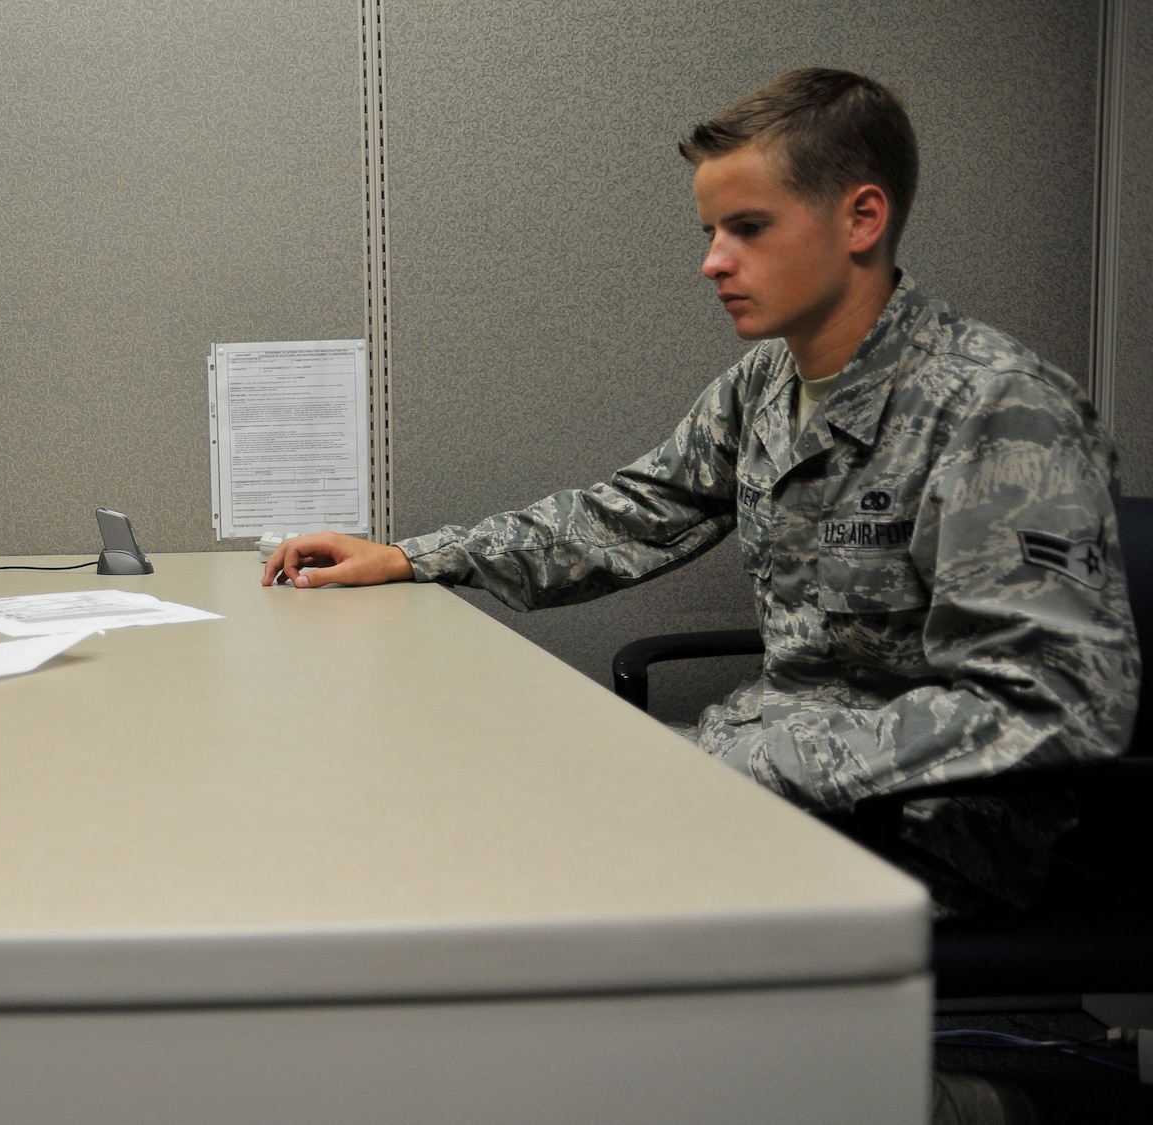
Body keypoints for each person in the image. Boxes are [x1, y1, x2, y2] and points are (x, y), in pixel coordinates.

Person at [263, 68, 1138, 920]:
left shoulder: (999, 410)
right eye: (711, 231)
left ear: (862, 217)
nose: (713, 262)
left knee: (547, 877)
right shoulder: (769, 382)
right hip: (777, 780)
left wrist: (749, 766)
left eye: (748, 228)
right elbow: (631, 513)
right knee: (493, 811)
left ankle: (937, 1075)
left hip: (929, 832)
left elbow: (1054, 701)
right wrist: (420, 555)